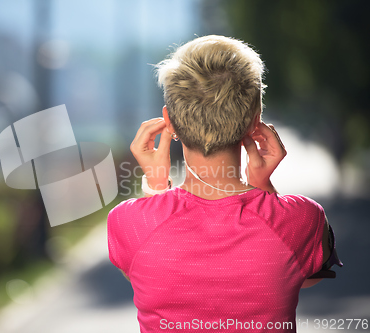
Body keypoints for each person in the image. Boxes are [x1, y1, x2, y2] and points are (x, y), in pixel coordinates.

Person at [107, 35, 342, 333]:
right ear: (254, 121)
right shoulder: (302, 219)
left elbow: (139, 273)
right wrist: (265, 191)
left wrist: (156, 186)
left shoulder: (128, 222)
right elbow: (307, 275)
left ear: (171, 123)